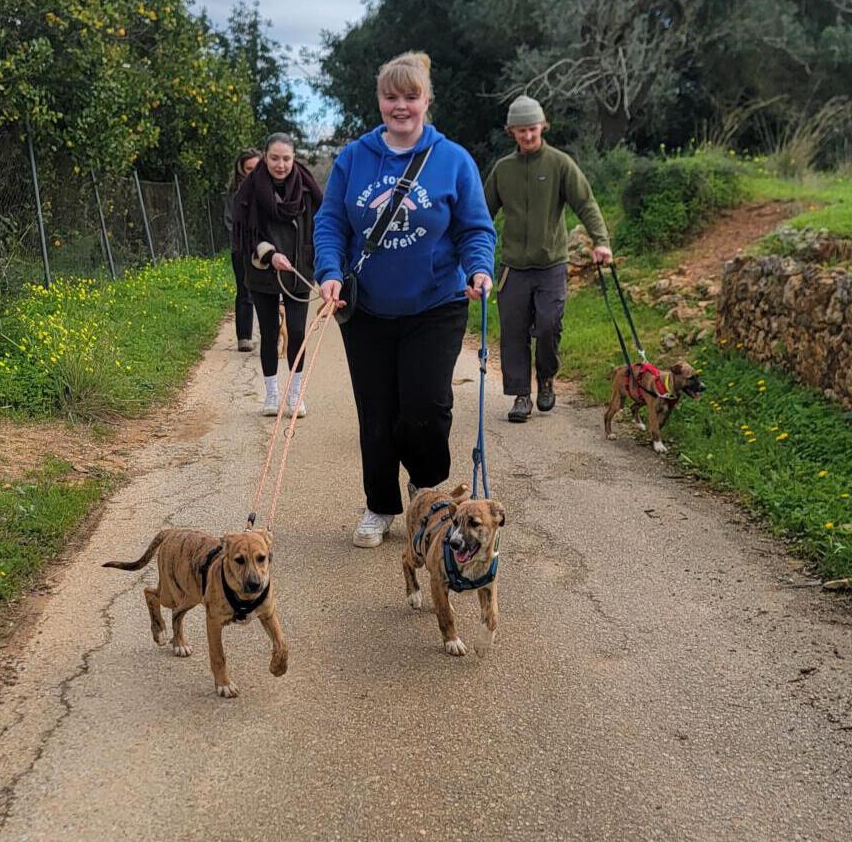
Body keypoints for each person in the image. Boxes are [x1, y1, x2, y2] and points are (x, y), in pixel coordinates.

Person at [314, 52, 496, 548]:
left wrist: (479, 268)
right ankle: (379, 505)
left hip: (436, 304)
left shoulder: (452, 159)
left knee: (425, 407)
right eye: (390, 96)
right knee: (376, 413)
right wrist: (329, 272)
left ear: (426, 100)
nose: (400, 106)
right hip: (367, 310)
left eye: (410, 97)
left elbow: (475, 228)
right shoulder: (354, 158)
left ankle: (426, 486)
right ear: (379, 100)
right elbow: (330, 223)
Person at [484, 95, 612, 424]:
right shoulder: (503, 170)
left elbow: (586, 203)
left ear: (543, 126)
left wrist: (601, 242)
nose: (528, 135)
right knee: (513, 331)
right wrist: (471, 255)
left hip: (551, 264)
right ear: (511, 132)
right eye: (521, 130)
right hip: (514, 267)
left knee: (548, 325)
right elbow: (482, 215)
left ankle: (545, 378)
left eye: (533, 128)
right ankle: (521, 395)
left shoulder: (559, 164)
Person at [233, 133, 323, 417]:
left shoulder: (307, 189)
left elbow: (321, 226)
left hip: (298, 268)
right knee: (270, 331)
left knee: (296, 332)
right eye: (274, 158)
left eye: (286, 158)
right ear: (265, 157)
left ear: (294, 158)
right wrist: (269, 254)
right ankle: (271, 395)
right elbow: (244, 235)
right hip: (263, 271)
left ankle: (295, 395)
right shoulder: (249, 190)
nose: (280, 165)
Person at [225, 148, 263, 352]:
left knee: (267, 292)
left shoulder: (269, 188)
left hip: (265, 249)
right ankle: (244, 337)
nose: (252, 172)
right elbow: (230, 221)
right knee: (245, 290)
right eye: (249, 168)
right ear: (241, 169)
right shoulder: (235, 193)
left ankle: (270, 337)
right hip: (241, 248)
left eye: (256, 167)